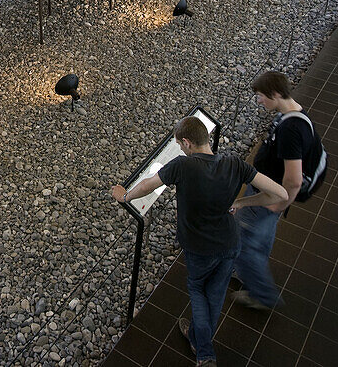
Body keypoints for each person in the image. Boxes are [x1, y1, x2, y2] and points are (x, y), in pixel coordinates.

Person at [112, 117, 287, 367]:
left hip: (199, 247)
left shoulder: (182, 166)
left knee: (198, 291)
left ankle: (205, 353)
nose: (181, 150)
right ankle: (196, 337)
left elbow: (148, 186)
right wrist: (240, 202)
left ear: (186, 142)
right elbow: (280, 194)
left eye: (181, 145)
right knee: (215, 293)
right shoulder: (234, 164)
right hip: (229, 243)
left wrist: (125, 196)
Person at [232, 70, 324, 311]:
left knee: (245, 240)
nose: (259, 101)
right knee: (259, 235)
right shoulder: (295, 113)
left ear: (275, 94)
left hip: (268, 194)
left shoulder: (291, 130)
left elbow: (293, 180)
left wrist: (279, 203)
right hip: (269, 192)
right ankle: (248, 273)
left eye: (261, 96)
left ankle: (262, 294)